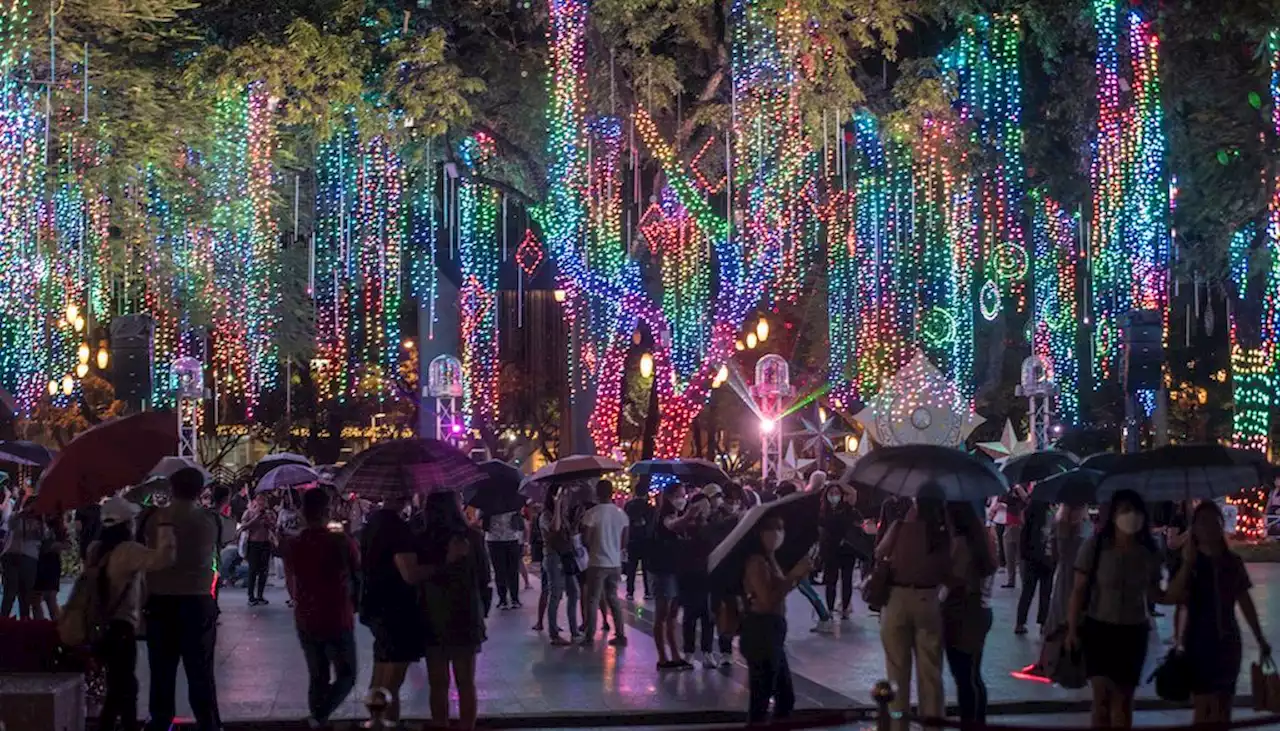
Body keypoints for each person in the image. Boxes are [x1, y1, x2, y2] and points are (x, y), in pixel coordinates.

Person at [1065, 489, 1172, 729]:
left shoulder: (1149, 552)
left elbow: (1156, 594)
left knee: (1124, 700)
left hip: (1134, 631)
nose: (1131, 516)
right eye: (1124, 511)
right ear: (1112, 515)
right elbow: (1078, 591)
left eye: (1135, 511)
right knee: (1101, 699)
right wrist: (1072, 630)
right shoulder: (1096, 547)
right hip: (1099, 628)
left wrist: (1184, 579)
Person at [1165, 501, 1269, 725]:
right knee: (1203, 706)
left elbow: (1245, 601)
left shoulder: (1231, 562)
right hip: (1198, 641)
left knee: (1223, 705)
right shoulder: (1189, 563)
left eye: (1214, 522)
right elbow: (1173, 598)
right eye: (1202, 522)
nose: (1208, 527)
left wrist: (1260, 638)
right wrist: (1186, 565)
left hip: (1227, 640)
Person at [142, 467, 223, 731]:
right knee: (200, 672)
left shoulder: (154, 519)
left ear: (171, 488)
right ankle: (208, 723)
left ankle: (160, 721)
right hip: (197, 602)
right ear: (201, 491)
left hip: (160, 601)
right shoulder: (208, 520)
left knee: (161, 672)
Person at [88, 498, 177, 731]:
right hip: (121, 626)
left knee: (121, 685)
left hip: (100, 625)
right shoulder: (128, 551)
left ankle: (121, 725)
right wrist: (165, 525)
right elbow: (164, 559)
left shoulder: (95, 550)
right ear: (127, 524)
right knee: (123, 687)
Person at [876, 493, 951, 727]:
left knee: (896, 670)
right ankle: (933, 723)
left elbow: (879, 553)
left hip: (897, 598)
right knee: (931, 671)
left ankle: (898, 723)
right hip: (928, 599)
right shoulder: (942, 533)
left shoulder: (899, 527)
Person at [418, 491, 490, 731]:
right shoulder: (473, 537)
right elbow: (483, 578)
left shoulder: (424, 539)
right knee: (465, 682)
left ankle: (440, 724)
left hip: (433, 614)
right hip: (466, 613)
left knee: (437, 683)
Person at [290, 488, 359, 728]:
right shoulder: (340, 541)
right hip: (336, 614)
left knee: (318, 676)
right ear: (327, 510)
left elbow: (293, 579)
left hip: (306, 616)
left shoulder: (296, 542)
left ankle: (317, 720)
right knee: (347, 674)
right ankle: (318, 718)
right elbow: (356, 571)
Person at [741, 515, 812, 724]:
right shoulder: (756, 561)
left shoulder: (770, 558)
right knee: (762, 699)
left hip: (772, 629)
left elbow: (779, 592)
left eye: (780, 529)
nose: (777, 535)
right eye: (771, 530)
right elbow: (767, 601)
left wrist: (797, 575)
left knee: (783, 696)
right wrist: (793, 576)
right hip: (761, 630)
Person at [359, 495, 422, 723]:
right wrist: (441, 564)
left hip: (375, 604)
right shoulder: (397, 528)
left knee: (380, 673)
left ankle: (377, 721)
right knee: (391, 682)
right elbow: (410, 573)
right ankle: (386, 724)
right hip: (397, 610)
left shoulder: (371, 524)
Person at [943, 502, 997, 723]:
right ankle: (978, 721)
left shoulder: (960, 545)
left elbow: (955, 580)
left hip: (961, 612)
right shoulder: (984, 542)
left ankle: (969, 722)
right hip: (981, 610)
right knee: (973, 674)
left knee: (963, 676)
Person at [579, 479, 628, 646]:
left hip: (597, 561)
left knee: (593, 599)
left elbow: (585, 538)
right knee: (613, 597)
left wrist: (594, 546)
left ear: (597, 493)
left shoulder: (591, 514)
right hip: (615, 562)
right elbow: (624, 540)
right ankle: (620, 634)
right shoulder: (621, 514)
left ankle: (589, 635)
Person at [648, 482, 690, 669]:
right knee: (662, 614)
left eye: (684, 495)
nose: (682, 499)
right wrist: (690, 515)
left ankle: (674, 654)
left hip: (676, 569)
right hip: (663, 570)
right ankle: (662, 657)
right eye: (679, 496)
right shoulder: (664, 517)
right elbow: (672, 526)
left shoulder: (676, 515)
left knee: (673, 615)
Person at [673, 491, 717, 667]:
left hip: (708, 576)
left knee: (708, 616)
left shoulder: (712, 526)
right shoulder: (685, 527)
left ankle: (707, 651)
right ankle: (689, 651)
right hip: (689, 575)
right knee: (690, 615)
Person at [540, 486, 581, 645]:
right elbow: (554, 528)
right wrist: (557, 506)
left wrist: (575, 521)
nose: (565, 499)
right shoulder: (545, 515)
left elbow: (567, 533)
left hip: (566, 556)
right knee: (555, 594)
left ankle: (574, 630)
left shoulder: (563, 514)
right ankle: (553, 633)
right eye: (561, 495)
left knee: (574, 591)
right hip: (553, 557)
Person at [819, 484, 863, 621]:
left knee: (847, 580)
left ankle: (845, 609)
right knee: (830, 581)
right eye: (831, 493)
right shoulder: (822, 512)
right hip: (830, 550)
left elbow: (858, 523)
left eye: (837, 493)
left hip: (847, 550)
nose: (834, 496)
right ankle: (830, 608)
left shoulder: (849, 510)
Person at [1016, 498, 1055, 635]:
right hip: (1041, 556)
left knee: (1031, 591)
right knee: (1041, 591)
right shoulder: (1045, 507)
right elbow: (1027, 532)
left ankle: (1023, 622)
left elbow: (1025, 532)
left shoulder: (1040, 506)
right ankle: (1040, 623)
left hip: (1039, 556)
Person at [1, 505, 45, 619]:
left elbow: (43, 537)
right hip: (13, 555)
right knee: (10, 593)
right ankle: (3, 622)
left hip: (29, 557)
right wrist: (22, 514)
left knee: (25, 595)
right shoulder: (18, 518)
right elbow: (11, 523)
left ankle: (23, 622)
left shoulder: (40, 522)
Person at [482, 508, 523, 610]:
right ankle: (503, 599)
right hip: (494, 539)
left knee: (513, 570)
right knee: (500, 571)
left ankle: (514, 598)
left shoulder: (513, 503)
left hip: (511, 537)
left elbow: (519, 519)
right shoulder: (486, 503)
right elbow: (480, 517)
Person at [239, 492, 275, 606]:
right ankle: (251, 596)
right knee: (253, 570)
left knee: (264, 571)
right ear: (254, 501)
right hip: (253, 543)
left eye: (263, 500)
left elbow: (274, 527)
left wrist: (267, 521)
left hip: (265, 543)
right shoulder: (249, 513)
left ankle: (260, 595)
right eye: (259, 500)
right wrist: (256, 518)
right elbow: (244, 527)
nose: (261, 503)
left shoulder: (269, 513)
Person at [622, 481, 654, 600]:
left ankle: (630, 591)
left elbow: (626, 522)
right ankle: (648, 591)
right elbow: (651, 524)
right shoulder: (649, 507)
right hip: (645, 540)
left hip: (632, 539)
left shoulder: (629, 506)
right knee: (646, 567)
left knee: (632, 567)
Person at [33, 514, 68, 620]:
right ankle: (44, 625)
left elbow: (66, 544)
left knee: (49, 598)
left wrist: (53, 546)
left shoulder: (56, 526)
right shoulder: (38, 523)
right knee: (38, 598)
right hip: (41, 561)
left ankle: (53, 626)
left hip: (49, 561)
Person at [274, 491, 304, 607]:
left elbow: (304, 523)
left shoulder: (301, 511)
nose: (286, 500)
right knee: (288, 571)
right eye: (285, 498)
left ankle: (298, 596)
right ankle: (292, 596)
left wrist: (297, 511)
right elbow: (279, 526)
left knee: (298, 572)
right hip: (286, 541)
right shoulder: (282, 512)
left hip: (298, 541)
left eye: (288, 497)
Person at [999, 486, 1027, 588]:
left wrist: (1019, 489)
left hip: (1018, 524)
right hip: (1009, 523)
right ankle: (1011, 580)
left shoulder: (1023, 487)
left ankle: (1024, 581)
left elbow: (1027, 500)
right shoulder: (1009, 488)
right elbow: (1002, 499)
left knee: (1020, 556)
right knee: (1009, 555)